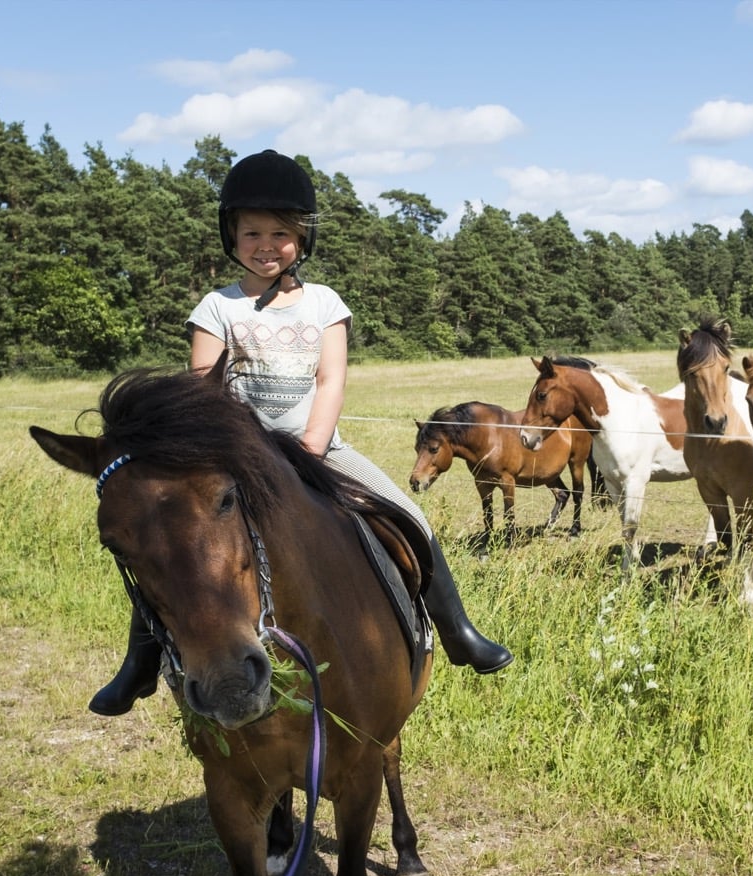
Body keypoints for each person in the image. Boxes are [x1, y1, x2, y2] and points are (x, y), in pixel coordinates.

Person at [89, 149, 512, 716]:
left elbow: (331, 379)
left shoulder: (324, 304)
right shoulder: (216, 308)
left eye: (281, 234)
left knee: (410, 516)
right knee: (175, 549)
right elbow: (202, 397)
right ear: (231, 236)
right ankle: (138, 662)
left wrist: (312, 447)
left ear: (301, 240)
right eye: (253, 232)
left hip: (322, 449)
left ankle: (458, 632)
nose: (267, 245)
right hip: (238, 460)